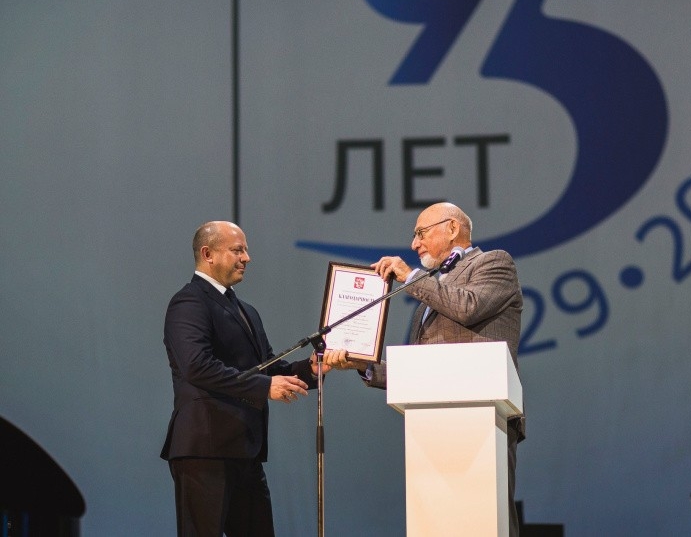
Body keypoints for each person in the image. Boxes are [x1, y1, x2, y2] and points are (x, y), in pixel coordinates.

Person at [324, 202, 525, 536]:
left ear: (452, 228)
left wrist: (410, 276)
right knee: (437, 521)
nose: (414, 244)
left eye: (420, 233)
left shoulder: (493, 263)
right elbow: (423, 370)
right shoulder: (432, 288)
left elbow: (468, 307)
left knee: (485, 520)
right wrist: (364, 364)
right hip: (431, 425)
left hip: (484, 416)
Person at [161, 220, 325, 536]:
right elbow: (197, 366)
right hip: (205, 450)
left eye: (245, 250)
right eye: (238, 250)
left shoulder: (246, 310)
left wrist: (311, 369)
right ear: (208, 254)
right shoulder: (189, 302)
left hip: (245, 452)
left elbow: (268, 368)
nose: (246, 258)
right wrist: (265, 387)